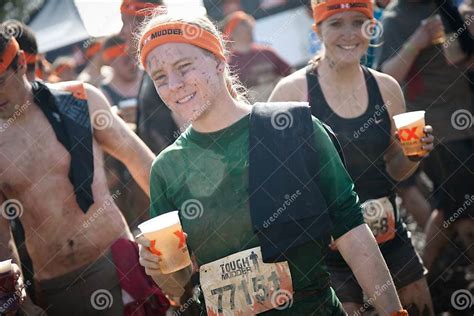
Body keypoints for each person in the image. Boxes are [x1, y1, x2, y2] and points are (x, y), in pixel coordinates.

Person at [135, 12, 409, 315]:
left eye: (184, 66)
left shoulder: (293, 128)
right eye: (159, 77)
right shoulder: (166, 168)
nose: (174, 84)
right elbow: (181, 291)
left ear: (218, 60)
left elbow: (352, 231)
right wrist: (162, 271)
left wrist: (393, 311)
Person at [269, 0, 435, 314]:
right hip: (326, 249)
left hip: (388, 233)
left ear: (372, 27)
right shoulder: (291, 94)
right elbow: (277, 186)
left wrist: (415, 155)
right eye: (336, 23)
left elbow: (396, 171)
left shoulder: (386, 88)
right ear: (317, 30)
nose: (349, 33)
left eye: (359, 22)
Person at [0, 31, 169, 315]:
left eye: (0, 81)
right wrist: (18, 300)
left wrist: (175, 236)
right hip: (55, 287)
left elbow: (143, 163)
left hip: (117, 264)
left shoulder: (79, 100)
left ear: (20, 63)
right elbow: (1, 235)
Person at [373, 0, 474, 275]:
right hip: (434, 129)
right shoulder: (395, 18)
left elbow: (464, 61)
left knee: (448, 207)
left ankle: (424, 276)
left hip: (466, 118)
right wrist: (416, 42)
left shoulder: (446, 7)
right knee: (463, 213)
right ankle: (426, 276)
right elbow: (385, 77)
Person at [223, 10, 293, 102]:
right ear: (232, 32)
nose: (250, 25)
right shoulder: (229, 65)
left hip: (280, 106)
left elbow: (290, 73)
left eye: (249, 22)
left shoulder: (267, 52)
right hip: (253, 112)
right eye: (243, 23)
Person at [100, 35, 141, 125]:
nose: (133, 64)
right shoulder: (105, 93)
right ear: (111, 62)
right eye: (126, 60)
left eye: (135, 58)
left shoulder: (148, 78)